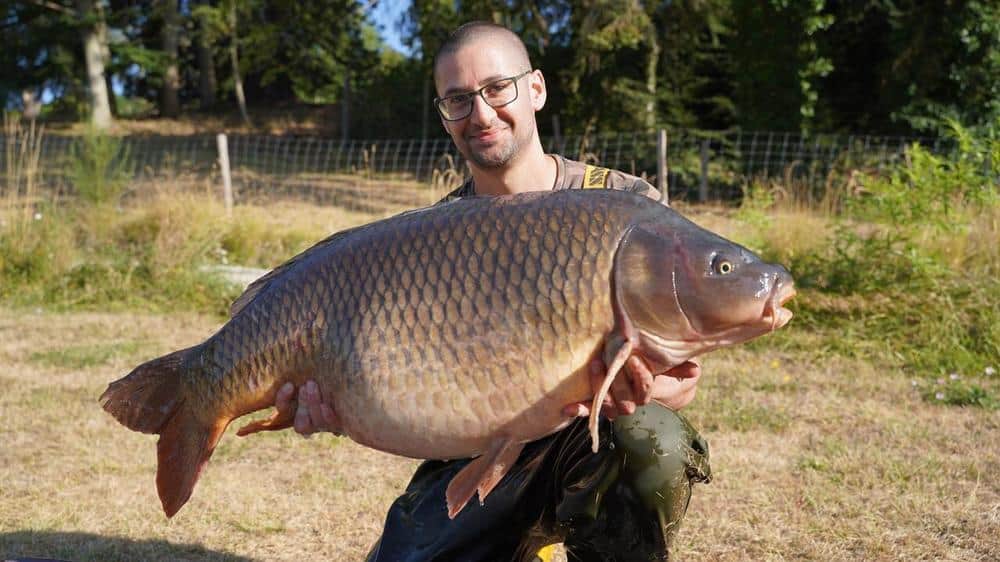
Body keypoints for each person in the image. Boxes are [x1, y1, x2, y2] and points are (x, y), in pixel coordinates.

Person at [272, 21, 710, 561]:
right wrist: (342, 404)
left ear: (536, 89)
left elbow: (680, 382)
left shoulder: (622, 205)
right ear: (443, 115)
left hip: (591, 438)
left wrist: (640, 395)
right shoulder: (435, 237)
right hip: (481, 451)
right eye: (457, 100)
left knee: (650, 441)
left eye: (497, 88)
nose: (480, 113)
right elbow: (417, 398)